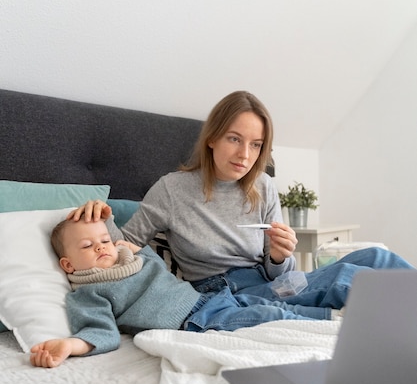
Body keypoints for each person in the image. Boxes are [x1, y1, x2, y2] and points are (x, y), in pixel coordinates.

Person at [69, 90, 414, 311]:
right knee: (349, 278)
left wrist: (280, 256)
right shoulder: (172, 189)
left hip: (270, 284)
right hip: (222, 292)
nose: (244, 155)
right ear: (212, 138)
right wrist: (99, 216)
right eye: (234, 139)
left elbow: (281, 271)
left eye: (256, 144)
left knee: (378, 257)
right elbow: (121, 249)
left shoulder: (263, 187)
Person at [30, 217, 339, 368]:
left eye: (105, 240)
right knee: (269, 315)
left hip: (207, 298)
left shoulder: (134, 258)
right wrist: (70, 345)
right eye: (87, 246)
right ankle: (336, 323)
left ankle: (335, 315)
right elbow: (100, 331)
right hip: (196, 320)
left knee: (275, 302)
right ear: (68, 265)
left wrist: (125, 242)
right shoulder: (88, 292)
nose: (101, 246)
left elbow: (139, 252)